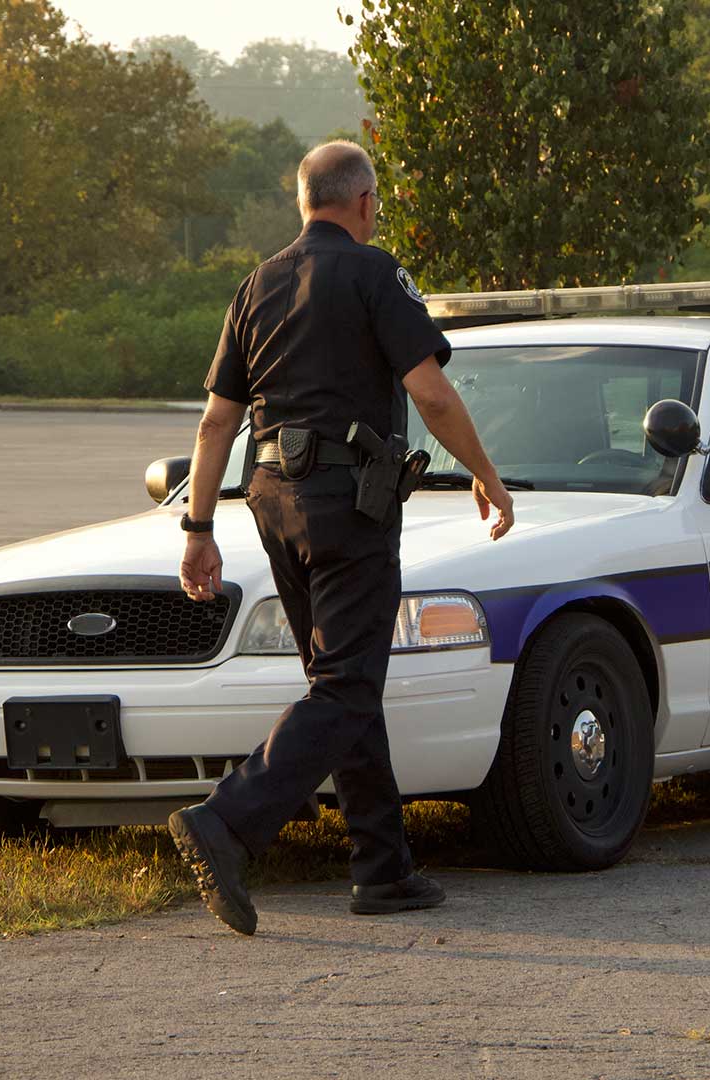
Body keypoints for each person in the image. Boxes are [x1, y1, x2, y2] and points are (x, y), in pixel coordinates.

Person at [166, 141, 514, 936]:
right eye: (376, 203)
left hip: (270, 502)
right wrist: (487, 475)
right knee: (348, 684)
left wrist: (198, 527)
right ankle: (227, 820)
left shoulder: (256, 285)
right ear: (362, 202)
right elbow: (430, 391)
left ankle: (382, 868)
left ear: (303, 204)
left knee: (341, 679)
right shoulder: (373, 271)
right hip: (345, 504)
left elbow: (219, 418)